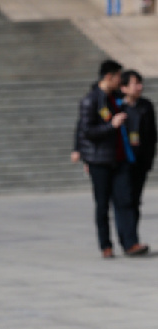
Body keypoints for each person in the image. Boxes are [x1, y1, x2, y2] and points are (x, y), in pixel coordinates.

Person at [78, 59, 149, 258]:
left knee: (125, 201)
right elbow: (86, 131)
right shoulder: (91, 100)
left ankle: (130, 243)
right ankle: (106, 245)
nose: (121, 80)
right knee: (102, 205)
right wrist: (111, 126)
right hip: (99, 161)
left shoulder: (116, 99)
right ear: (109, 76)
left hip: (120, 159)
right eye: (119, 76)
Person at [120, 69, 157, 231]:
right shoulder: (117, 107)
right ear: (124, 88)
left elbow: (152, 135)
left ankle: (131, 237)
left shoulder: (146, 106)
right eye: (136, 84)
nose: (139, 87)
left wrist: (149, 159)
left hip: (140, 160)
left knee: (135, 199)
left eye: (140, 83)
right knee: (125, 199)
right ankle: (128, 238)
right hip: (121, 160)